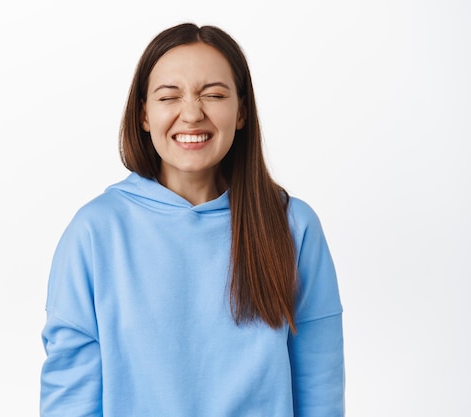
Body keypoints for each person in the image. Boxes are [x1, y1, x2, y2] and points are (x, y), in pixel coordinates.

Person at [40, 22, 344, 417]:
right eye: (170, 96)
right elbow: (71, 397)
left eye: (214, 94)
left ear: (241, 112)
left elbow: (320, 388)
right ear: (144, 115)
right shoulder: (95, 232)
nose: (191, 113)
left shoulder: (293, 226)